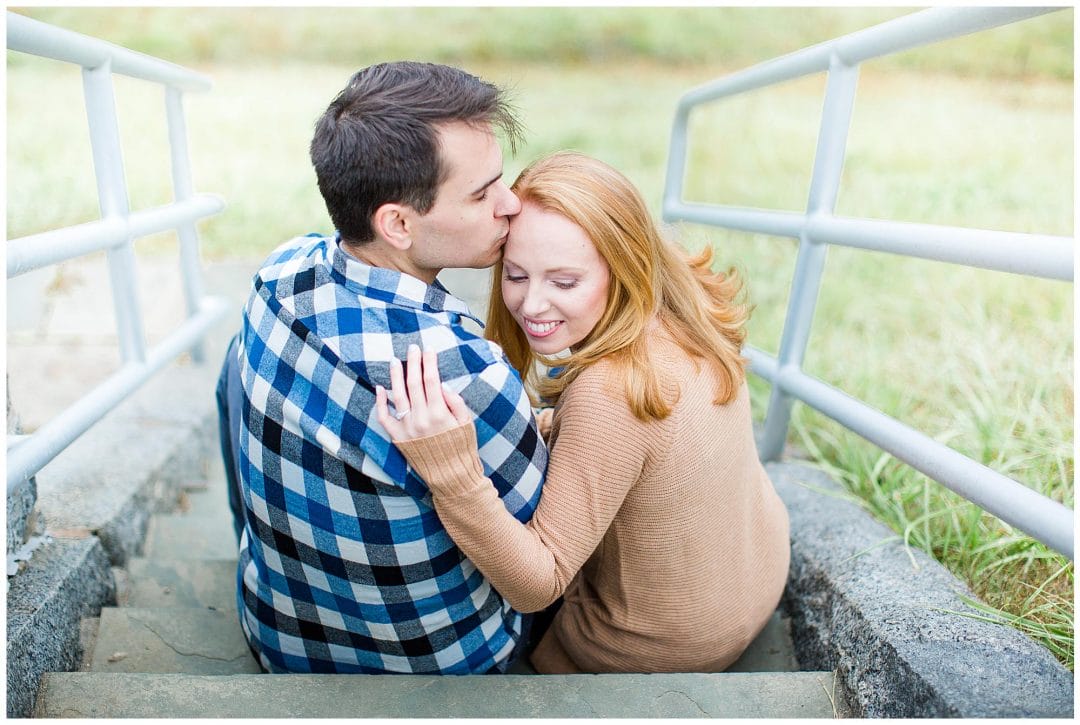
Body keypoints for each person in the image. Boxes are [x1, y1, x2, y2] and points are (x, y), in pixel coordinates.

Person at [376, 151, 791, 673]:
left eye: (564, 282)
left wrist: (452, 473)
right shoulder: (688, 312)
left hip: (653, 648)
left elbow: (538, 583)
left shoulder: (613, 390)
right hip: (756, 581)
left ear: (624, 265)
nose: (530, 304)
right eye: (517, 274)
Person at [218, 61, 548, 675]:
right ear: (397, 223)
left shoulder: (279, 276)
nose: (512, 204)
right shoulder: (470, 376)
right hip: (440, 672)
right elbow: (539, 562)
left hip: (277, 638)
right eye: (482, 193)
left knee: (235, 365)